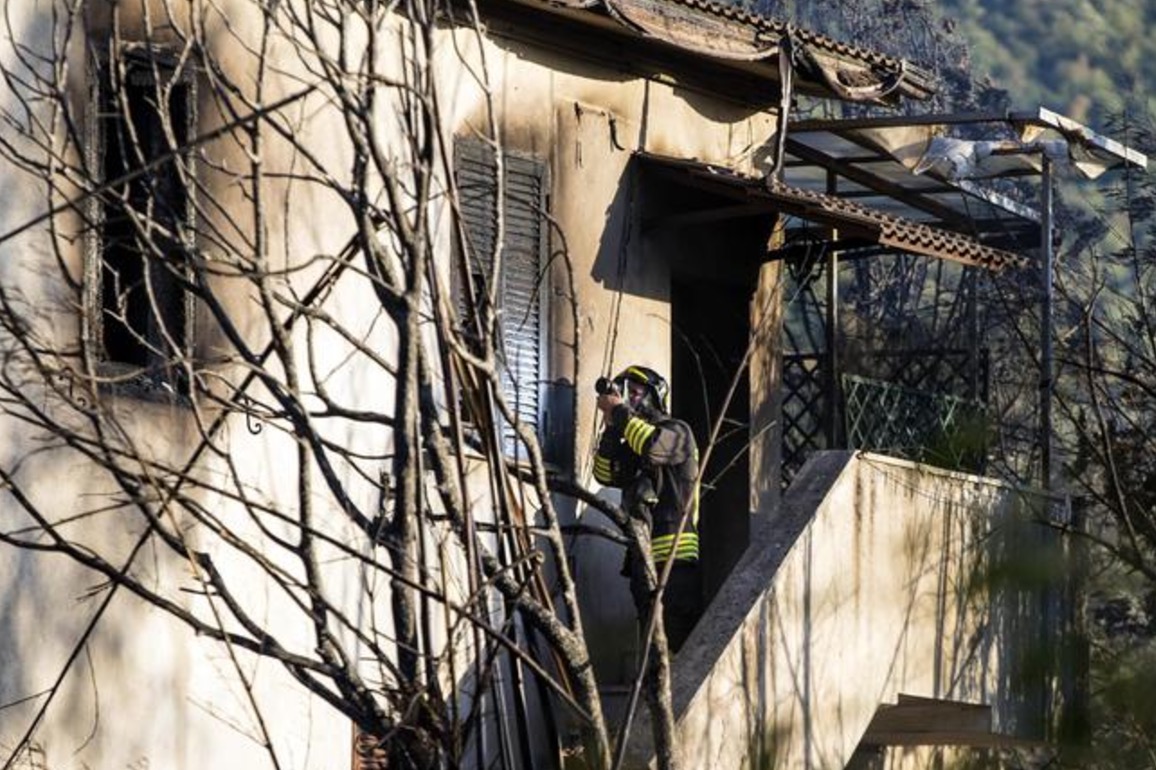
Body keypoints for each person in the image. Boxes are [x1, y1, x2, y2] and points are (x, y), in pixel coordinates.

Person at [593, 365, 702, 652]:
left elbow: (652, 446)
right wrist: (610, 431)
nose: (629, 398)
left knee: (675, 646)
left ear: (655, 396)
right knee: (651, 648)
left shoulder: (677, 432)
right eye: (626, 393)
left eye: (636, 393)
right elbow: (605, 474)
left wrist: (618, 411)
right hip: (643, 558)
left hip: (675, 561)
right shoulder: (633, 441)